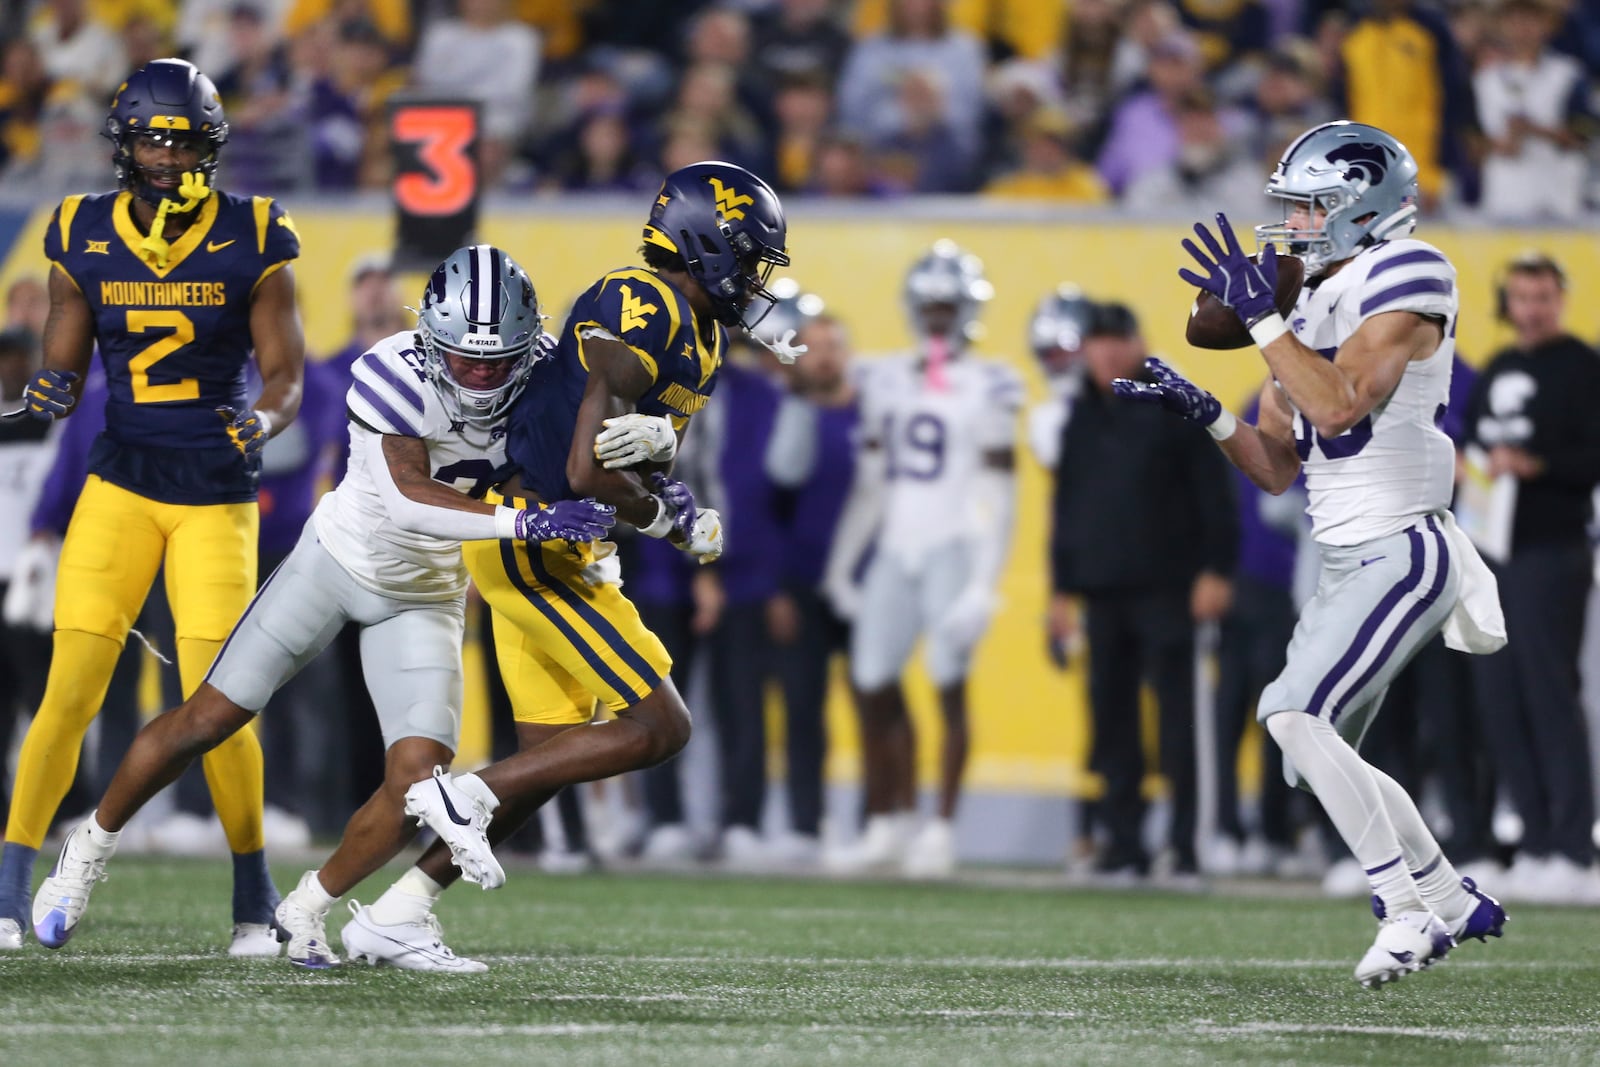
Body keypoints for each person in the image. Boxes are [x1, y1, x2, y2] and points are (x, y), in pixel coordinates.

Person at [35, 245, 616, 969]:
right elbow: (407, 497)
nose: (481, 374)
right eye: (465, 359)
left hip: (425, 594)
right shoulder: (389, 369)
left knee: (415, 780)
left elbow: (590, 452)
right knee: (208, 718)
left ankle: (307, 906)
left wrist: (649, 484)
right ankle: (87, 847)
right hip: (335, 564)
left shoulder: (545, 375)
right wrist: (523, 522)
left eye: (498, 361)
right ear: (431, 335)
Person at [1115, 120, 1508, 987]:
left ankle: (1405, 909)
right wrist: (1205, 412)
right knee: (1314, 752)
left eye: (1306, 206)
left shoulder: (1409, 270)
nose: (1288, 223)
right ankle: (1445, 893)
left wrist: (1262, 321)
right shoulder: (1311, 297)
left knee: (1293, 713)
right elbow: (1278, 464)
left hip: (1404, 543)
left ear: (1359, 207)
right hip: (1346, 555)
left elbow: (1339, 410)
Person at [383, 162, 797, 943]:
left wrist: (663, 487)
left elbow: (622, 459)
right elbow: (586, 469)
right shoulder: (641, 302)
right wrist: (663, 521)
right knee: (660, 727)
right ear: (703, 245)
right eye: (747, 256)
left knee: (548, 765)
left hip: (560, 536)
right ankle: (461, 791)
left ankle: (398, 912)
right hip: (537, 532)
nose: (756, 277)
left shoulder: (701, 331)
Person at [0, 58, 304, 955]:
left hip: (215, 494)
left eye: (180, 141)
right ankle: (11, 887)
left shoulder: (255, 230)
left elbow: (285, 374)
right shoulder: (79, 230)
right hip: (121, 484)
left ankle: (254, 896)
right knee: (70, 690)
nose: (165, 157)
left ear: (207, 144)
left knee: (221, 701)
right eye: (151, 139)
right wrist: (42, 397)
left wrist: (266, 418)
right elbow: (62, 365)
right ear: (124, 143)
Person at [823, 241, 1023, 878]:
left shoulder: (991, 381)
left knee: (946, 684)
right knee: (873, 681)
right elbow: (874, 482)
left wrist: (985, 584)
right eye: (928, 304)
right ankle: (889, 819)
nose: (936, 316)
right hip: (897, 544)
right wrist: (841, 563)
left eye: (947, 304)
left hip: (953, 544)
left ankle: (941, 827)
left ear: (965, 309)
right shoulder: (885, 377)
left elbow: (1000, 492)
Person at [1048, 302, 1236, 883]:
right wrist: (1061, 589)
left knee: (1178, 719)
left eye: (1115, 340)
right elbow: (1068, 506)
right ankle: (1124, 843)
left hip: (1169, 585)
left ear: (1138, 343)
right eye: (1096, 341)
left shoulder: (1170, 401)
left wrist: (1217, 569)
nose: (1105, 353)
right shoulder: (1080, 411)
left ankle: (1185, 846)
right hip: (1102, 590)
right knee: (1112, 719)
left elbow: (1214, 489)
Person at [1464, 252, 1600, 902]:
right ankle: (1535, 839)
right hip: (1492, 552)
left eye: (1543, 296)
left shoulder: (1583, 366)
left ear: (1560, 298)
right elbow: (1470, 445)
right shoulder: (1498, 367)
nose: (1533, 307)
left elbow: (1591, 455)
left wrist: (1536, 464)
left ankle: (1575, 846)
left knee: (1551, 691)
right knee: (1500, 696)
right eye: (1522, 296)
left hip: (1553, 548)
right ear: (1508, 302)